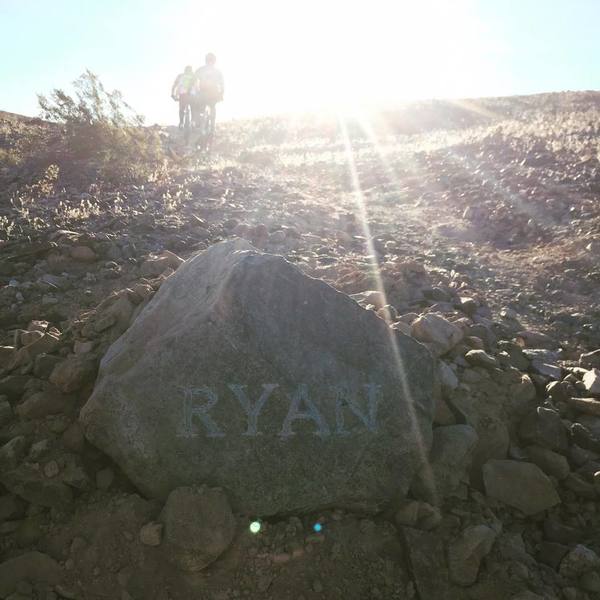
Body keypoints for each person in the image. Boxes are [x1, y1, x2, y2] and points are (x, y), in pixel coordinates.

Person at [193, 53, 224, 136]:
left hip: (203, 92)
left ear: (206, 60)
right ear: (214, 61)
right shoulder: (217, 71)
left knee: (199, 108)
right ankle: (212, 126)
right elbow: (222, 84)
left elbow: (194, 81)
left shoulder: (200, 69)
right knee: (212, 107)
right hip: (214, 93)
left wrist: (195, 91)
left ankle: (198, 123)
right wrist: (221, 94)